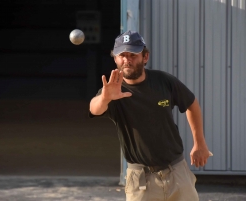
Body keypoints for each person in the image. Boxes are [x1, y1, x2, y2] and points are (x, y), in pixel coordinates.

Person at [89, 30, 210, 201]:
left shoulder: (164, 81)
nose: (127, 60)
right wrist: (105, 98)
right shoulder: (113, 90)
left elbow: (192, 104)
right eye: (122, 55)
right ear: (115, 59)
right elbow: (94, 109)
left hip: (177, 172)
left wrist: (199, 143)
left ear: (145, 57)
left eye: (133, 54)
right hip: (141, 180)